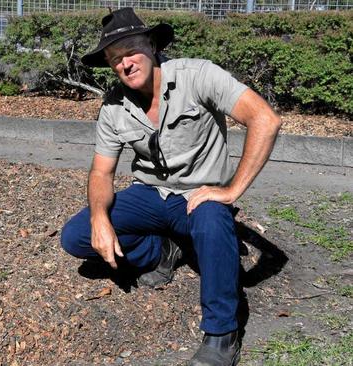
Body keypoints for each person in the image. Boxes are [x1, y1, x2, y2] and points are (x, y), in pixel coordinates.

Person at [59, 8, 281, 366]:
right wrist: (100, 217)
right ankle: (160, 252)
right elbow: (101, 173)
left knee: (212, 220)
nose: (125, 64)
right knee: (77, 237)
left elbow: (265, 119)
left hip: (198, 194)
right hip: (150, 194)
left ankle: (222, 333)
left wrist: (231, 191)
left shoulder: (197, 75)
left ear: (151, 44)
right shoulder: (114, 106)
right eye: (115, 59)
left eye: (130, 51)